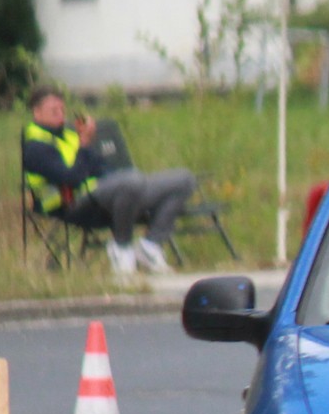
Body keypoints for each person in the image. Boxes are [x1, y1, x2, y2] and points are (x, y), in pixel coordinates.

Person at [21, 84, 197, 275]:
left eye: (63, 110)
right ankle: (121, 248)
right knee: (129, 182)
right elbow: (71, 178)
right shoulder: (36, 147)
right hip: (71, 205)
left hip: (104, 195)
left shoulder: (70, 136)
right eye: (54, 111)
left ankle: (150, 246)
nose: (61, 115)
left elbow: (102, 168)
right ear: (37, 113)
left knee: (183, 180)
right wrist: (85, 144)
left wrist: (122, 179)